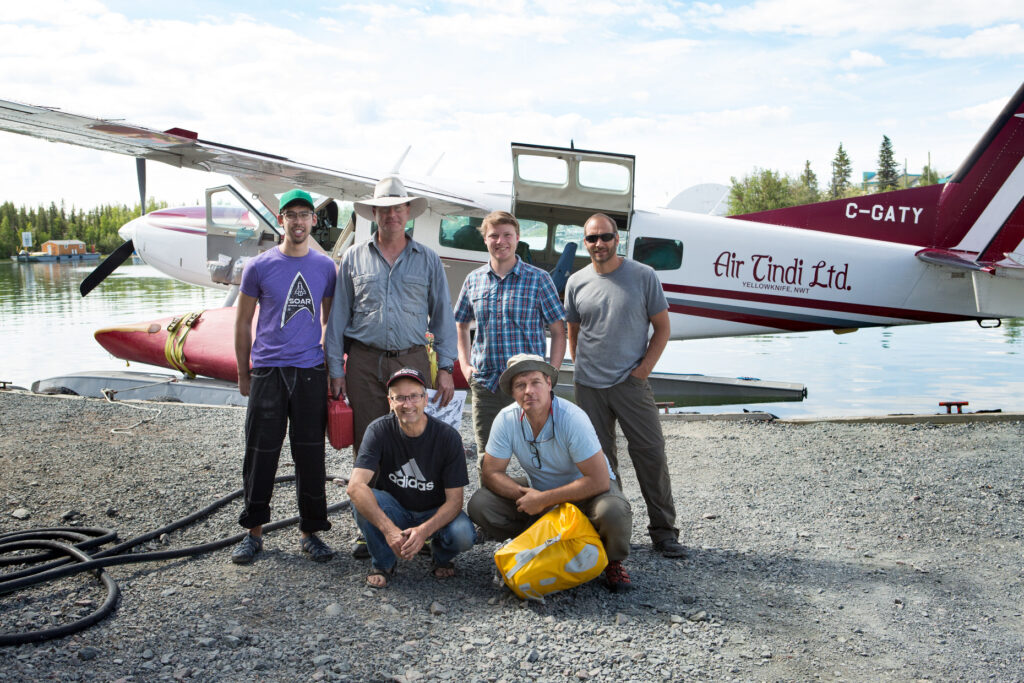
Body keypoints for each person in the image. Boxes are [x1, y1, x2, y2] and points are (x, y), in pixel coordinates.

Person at [564, 213, 685, 558]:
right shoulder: (576, 282)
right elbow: (574, 332)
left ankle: (664, 533)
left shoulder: (643, 277)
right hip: (589, 387)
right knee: (599, 463)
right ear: (584, 243)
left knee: (650, 454)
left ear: (618, 239)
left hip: (630, 383)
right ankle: (613, 534)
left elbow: (662, 329)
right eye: (591, 239)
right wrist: (581, 368)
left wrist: (642, 371)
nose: (598, 244)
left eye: (605, 237)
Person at [231, 188, 337, 565]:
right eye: (290, 214)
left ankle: (312, 532)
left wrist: (332, 369)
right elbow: (242, 322)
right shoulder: (258, 266)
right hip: (268, 371)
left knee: (310, 455)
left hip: (309, 371)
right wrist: (245, 372)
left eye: (304, 215)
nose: (297, 221)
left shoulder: (326, 268)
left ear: (313, 221)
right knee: (260, 454)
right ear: (281, 220)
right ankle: (253, 532)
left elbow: (329, 322)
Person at [467, 354, 635, 592]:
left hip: (587, 494)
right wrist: (528, 495)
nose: (528, 391)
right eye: (520, 385)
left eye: (535, 382)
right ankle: (541, 542)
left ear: (548, 383)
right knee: (480, 503)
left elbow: (598, 480)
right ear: (512, 392)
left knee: (613, 511)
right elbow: (491, 473)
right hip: (539, 492)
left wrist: (545, 499)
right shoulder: (506, 419)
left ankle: (611, 559)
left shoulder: (572, 417)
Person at [347, 368, 475, 588]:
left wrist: (424, 530)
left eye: (414, 396)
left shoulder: (448, 437)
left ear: (425, 399)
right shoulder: (378, 430)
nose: (408, 404)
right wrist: (389, 530)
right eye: (400, 398)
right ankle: (383, 562)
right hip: (396, 508)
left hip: (434, 510)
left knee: (463, 533)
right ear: (390, 401)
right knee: (360, 499)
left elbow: (455, 502)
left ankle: (441, 556)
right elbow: (355, 486)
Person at [453, 210, 566, 458]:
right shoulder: (474, 280)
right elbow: (460, 324)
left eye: (507, 235)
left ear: (517, 238)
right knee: (488, 456)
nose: (500, 241)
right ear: (485, 239)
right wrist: (465, 366)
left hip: (529, 385)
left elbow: (559, 330)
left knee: (540, 454)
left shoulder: (539, 279)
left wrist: (551, 374)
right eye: (494, 235)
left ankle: (539, 497)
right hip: (486, 384)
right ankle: (492, 497)